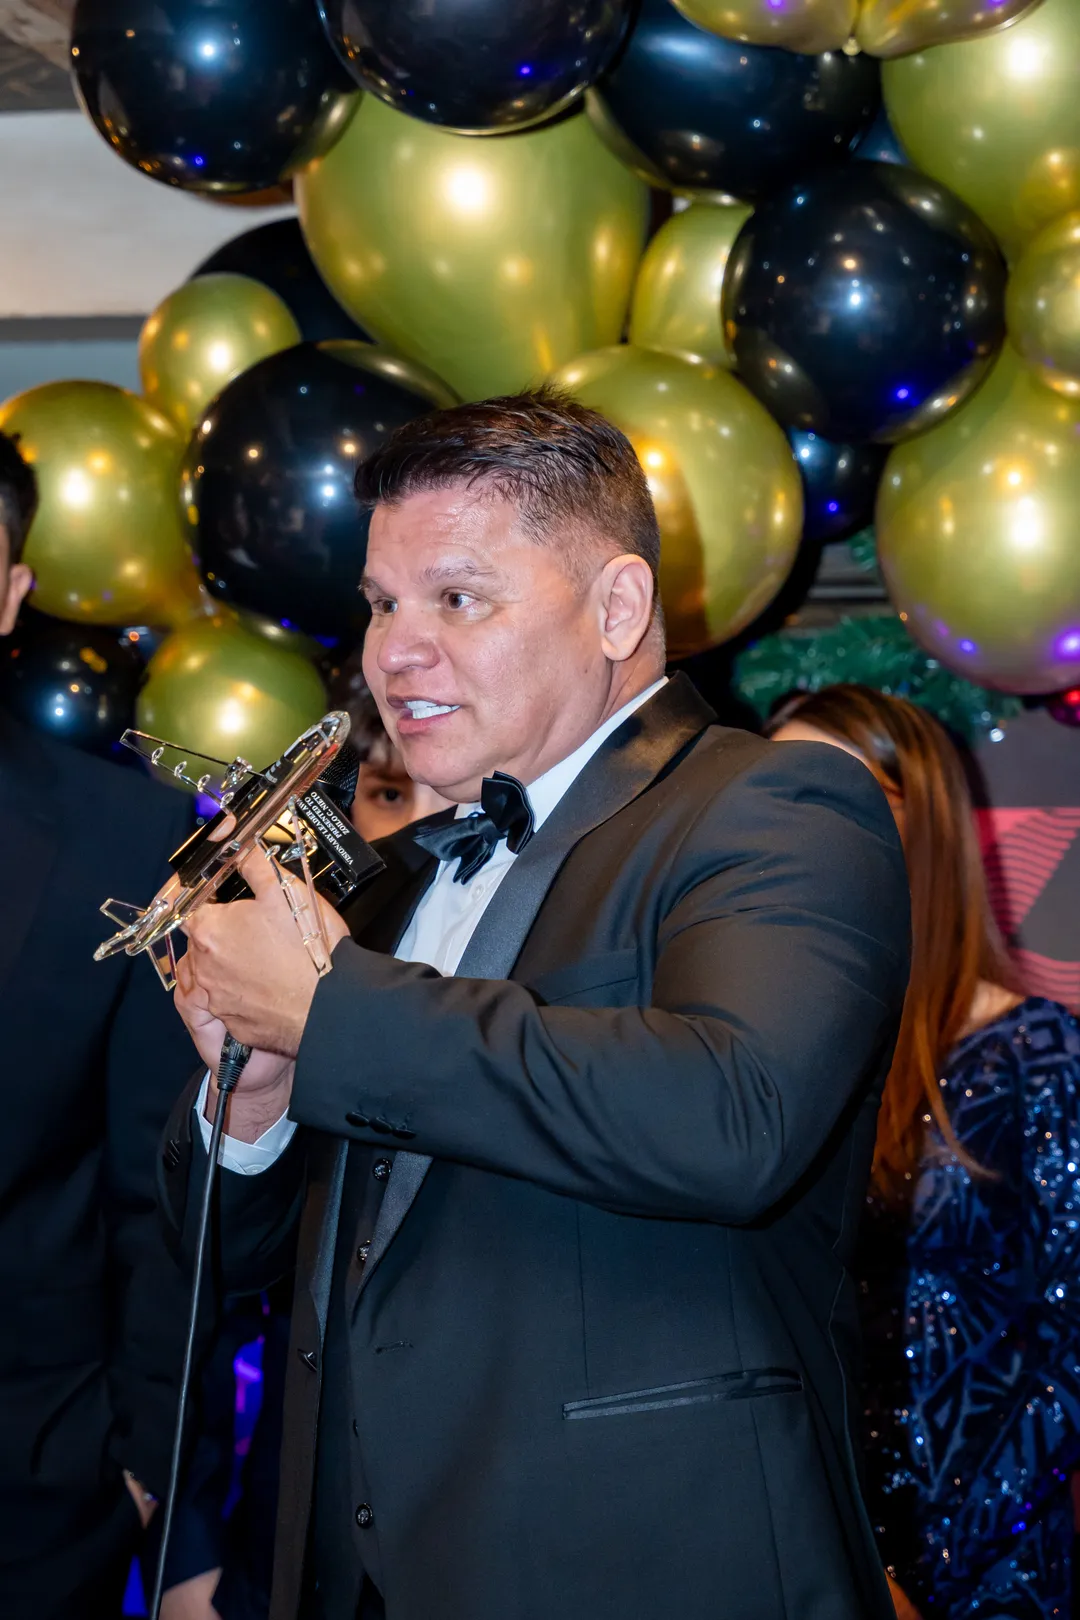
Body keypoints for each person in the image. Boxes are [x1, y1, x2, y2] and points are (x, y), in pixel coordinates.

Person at [159, 388, 911, 1620]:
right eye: (382, 604)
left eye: (455, 598)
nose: (392, 651)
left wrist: (335, 1013)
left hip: (641, 1567)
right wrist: (259, 1105)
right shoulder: (393, 880)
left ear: (617, 608)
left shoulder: (773, 807)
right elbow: (239, 1271)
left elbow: (733, 1118)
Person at [768, 684, 1080, 1620]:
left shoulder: (1039, 1054)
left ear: (920, 822)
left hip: (984, 1571)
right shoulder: (761, 1055)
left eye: (833, 793)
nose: (794, 828)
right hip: (797, 1545)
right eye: (773, 796)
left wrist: (927, 1566)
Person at [162, 681, 448, 1620]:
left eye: (470, 794)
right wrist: (186, 1548)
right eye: (393, 794)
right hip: (292, 1542)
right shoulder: (280, 983)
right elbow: (202, 1281)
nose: (429, 828)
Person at [0, 430, 199, 1617]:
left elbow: (160, 1195)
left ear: (12, 593)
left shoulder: (128, 842)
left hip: (34, 1502)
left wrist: (154, 1478)